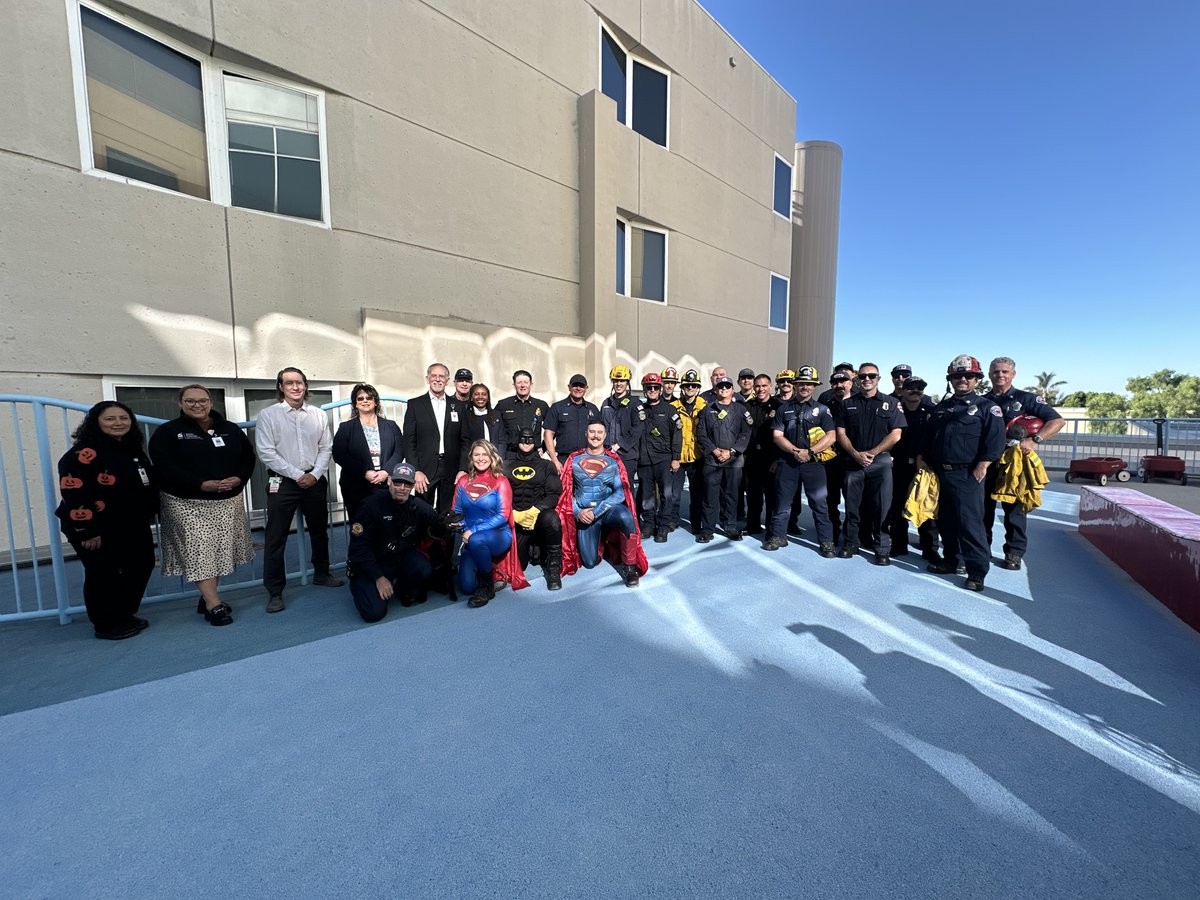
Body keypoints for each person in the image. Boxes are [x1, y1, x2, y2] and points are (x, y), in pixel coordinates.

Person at [150, 384, 256, 627]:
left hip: (226, 502)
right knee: (200, 550)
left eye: (202, 400)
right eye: (190, 401)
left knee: (216, 551)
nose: (197, 405)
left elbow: (248, 457)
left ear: (210, 402)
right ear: (181, 403)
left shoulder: (229, 429)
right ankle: (213, 604)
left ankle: (208, 596)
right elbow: (165, 467)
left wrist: (239, 478)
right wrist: (200, 484)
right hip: (186, 503)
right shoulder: (168, 432)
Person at [56, 401, 158, 640]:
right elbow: (74, 493)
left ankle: (124, 614)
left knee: (141, 565)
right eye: (110, 419)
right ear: (96, 422)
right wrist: (87, 530)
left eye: (123, 417)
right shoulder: (82, 454)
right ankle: (105, 623)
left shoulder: (130, 448)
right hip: (95, 527)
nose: (118, 423)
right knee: (103, 574)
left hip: (131, 522)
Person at [256, 367, 343, 614]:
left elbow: (326, 447)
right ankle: (274, 591)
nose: (295, 387)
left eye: (300, 383)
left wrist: (314, 474)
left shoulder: (317, 414)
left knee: (319, 531)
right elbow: (266, 452)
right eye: (289, 383)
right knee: (275, 538)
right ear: (280, 387)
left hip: (314, 481)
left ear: (306, 386)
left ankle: (322, 573)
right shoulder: (268, 415)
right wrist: (297, 475)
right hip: (283, 482)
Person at [919, 355, 1005, 591]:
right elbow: (929, 438)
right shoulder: (942, 408)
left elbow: (996, 441)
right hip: (940, 473)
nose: (963, 380)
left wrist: (983, 464)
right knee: (946, 521)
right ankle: (951, 561)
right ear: (951, 379)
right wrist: (921, 457)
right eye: (957, 376)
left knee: (970, 524)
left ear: (977, 379)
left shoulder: (988, 408)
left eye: (968, 376)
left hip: (968, 475)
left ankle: (976, 571)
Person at [347, 463, 458, 622]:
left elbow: (438, 524)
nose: (401, 487)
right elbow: (359, 549)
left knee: (423, 568)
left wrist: (447, 527)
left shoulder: (418, 507)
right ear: (390, 481)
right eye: (397, 482)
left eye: (407, 484)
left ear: (412, 485)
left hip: (398, 558)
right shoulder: (370, 506)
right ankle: (362, 587)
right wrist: (378, 577)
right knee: (374, 613)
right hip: (371, 563)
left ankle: (400, 587)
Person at [985, 356, 1066, 570]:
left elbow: (1057, 421)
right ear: (989, 374)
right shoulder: (983, 400)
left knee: (1015, 511)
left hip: (1015, 464)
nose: (1000, 375)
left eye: (1004, 372)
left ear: (1013, 374)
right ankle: (981, 550)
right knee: (983, 509)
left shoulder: (1027, 399)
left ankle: (1014, 553)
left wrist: (1035, 439)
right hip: (987, 461)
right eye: (995, 372)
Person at [556, 422, 647, 587]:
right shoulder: (573, 460)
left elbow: (621, 492)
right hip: (584, 514)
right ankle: (604, 545)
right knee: (590, 562)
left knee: (626, 516)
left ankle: (629, 566)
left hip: (607, 511)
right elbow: (565, 492)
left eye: (599, 432)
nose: (595, 435)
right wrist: (577, 512)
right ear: (586, 434)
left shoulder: (613, 462)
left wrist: (596, 511)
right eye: (592, 432)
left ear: (605, 436)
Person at [834, 362, 906, 565]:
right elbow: (840, 433)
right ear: (857, 379)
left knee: (882, 508)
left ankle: (882, 548)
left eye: (871, 376)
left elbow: (896, 433)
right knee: (852, 506)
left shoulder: (891, 403)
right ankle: (850, 543)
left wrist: (873, 453)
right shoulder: (846, 404)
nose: (867, 379)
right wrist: (856, 454)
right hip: (853, 461)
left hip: (880, 462)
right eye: (863, 376)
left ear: (878, 379)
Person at [764, 366, 837, 556]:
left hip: (814, 464)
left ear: (814, 386)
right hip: (788, 462)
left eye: (809, 384)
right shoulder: (783, 409)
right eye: (801, 383)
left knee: (819, 504)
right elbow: (777, 436)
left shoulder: (822, 410)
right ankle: (778, 536)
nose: (805, 386)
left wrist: (810, 452)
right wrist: (796, 451)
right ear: (795, 385)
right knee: (782, 502)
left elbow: (831, 436)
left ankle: (826, 541)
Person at [453, 440, 527, 607]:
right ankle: (487, 568)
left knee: (477, 540)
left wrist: (474, 531)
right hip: (470, 537)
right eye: (476, 454)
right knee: (467, 587)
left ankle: (487, 586)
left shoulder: (501, 481)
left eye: (484, 454)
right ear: (471, 458)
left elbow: (502, 515)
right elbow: (456, 513)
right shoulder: (463, 481)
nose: (480, 458)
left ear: (492, 457)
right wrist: (462, 529)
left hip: (498, 535)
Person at [332, 382, 404, 520]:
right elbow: (339, 454)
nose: (365, 401)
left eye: (369, 398)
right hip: (356, 484)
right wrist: (364, 472)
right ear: (355, 404)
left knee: (386, 524)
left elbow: (399, 451)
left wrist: (386, 471)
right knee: (360, 527)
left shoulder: (391, 426)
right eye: (360, 398)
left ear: (375, 402)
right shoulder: (346, 428)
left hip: (385, 483)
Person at [886, 375, 940, 561]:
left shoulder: (931, 411)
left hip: (923, 466)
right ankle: (899, 545)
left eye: (920, 388)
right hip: (898, 465)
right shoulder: (895, 409)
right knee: (897, 507)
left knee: (926, 507)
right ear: (903, 389)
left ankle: (930, 549)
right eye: (911, 387)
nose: (915, 391)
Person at [403, 362, 468, 513]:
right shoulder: (415, 405)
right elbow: (408, 441)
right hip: (424, 471)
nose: (437, 379)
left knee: (448, 513)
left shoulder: (457, 406)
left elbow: (465, 440)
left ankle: (446, 538)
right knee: (422, 512)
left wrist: (463, 469)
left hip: (451, 469)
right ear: (427, 379)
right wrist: (416, 470)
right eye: (434, 376)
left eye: (441, 376)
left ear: (447, 380)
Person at [696, 372, 753, 542]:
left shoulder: (741, 409)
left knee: (731, 496)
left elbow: (746, 432)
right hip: (712, 461)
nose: (724, 389)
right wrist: (714, 450)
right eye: (720, 386)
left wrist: (732, 451)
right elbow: (701, 434)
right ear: (716, 389)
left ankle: (730, 527)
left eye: (727, 387)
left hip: (733, 461)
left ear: (732, 390)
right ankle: (707, 529)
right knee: (710, 496)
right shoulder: (707, 409)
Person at [504, 427, 564, 589]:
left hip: (538, 518)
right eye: (523, 439)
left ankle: (553, 569)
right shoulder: (505, 465)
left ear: (535, 441)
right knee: (519, 566)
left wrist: (535, 510)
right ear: (517, 440)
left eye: (530, 439)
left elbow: (554, 494)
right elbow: (498, 496)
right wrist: (513, 514)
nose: (526, 443)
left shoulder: (547, 466)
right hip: (515, 519)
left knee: (552, 519)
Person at [636, 372, 683, 542]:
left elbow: (677, 435)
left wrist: (676, 458)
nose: (653, 390)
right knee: (646, 495)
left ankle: (663, 527)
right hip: (644, 460)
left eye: (656, 387)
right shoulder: (640, 410)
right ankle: (648, 524)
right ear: (644, 390)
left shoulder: (670, 410)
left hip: (664, 459)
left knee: (666, 494)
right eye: (649, 388)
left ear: (660, 388)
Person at [668, 368, 707, 534]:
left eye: (693, 385)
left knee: (697, 494)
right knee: (674, 494)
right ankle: (673, 521)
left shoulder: (705, 407)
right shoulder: (672, 407)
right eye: (687, 386)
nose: (690, 388)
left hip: (698, 457)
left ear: (698, 388)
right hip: (678, 458)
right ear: (682, 388)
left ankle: (696, 523)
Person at [743, 374, 779, 536]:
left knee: (772, 496)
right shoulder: (748, 406)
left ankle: (771, 529)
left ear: (770, 386)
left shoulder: (779, 406)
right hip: (752, 458)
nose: (760, 389)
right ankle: (753, 526)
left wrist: (778, 459)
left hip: (771, 459)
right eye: (757, 386)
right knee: (753, 495)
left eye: (764, 386)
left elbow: (784, 434)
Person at [544, 373, 602, 472]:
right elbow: (548, 434)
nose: (578, 388)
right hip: (564, 460)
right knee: (564, 487)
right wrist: (555, 460)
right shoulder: (557, 407)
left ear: (586, 388)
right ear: (569, 387)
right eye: (575, 385)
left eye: (581, 386)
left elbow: (600, 434)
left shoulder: (593, 409)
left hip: (588, 459)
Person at [823, 371, 854, 542]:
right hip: (831, 461)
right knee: (831, 499)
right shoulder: (826, 405)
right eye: (835, 383)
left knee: (853, 501)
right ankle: (833, 530)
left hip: (852, 460)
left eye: (843, 381)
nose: (839, 385)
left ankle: (852, 535)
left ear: (850, 383)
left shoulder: (859, 403)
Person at [600, 364, 644, 476]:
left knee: (625, 489)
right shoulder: (606, 403)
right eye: (615, 381)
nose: (618, 384)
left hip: (627, 455)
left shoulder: (635, 403)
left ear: (627, 383)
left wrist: (619, 445)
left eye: (622, 381)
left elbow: (637, 430)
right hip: (607, 454)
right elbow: (601, 426)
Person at [493, 370, 549, 457]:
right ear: (514, 385)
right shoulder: (503, 405)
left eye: (526, 382)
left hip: (534, 455)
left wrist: (544, 447)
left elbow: (552, 428)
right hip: (510, 455)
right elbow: (494, 430)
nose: (522, 385)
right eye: (519, 382)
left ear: (531, 385)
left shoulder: (541, 405)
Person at [463, 382, 500, 447]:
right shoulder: (465, 416)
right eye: (476, 394)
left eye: (484, 394)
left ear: (488, 398)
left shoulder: (497, 415)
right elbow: (465, 442)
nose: (480, 397)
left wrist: (498, 456)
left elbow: (502, 440)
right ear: (471, 397)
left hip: (495, 456)